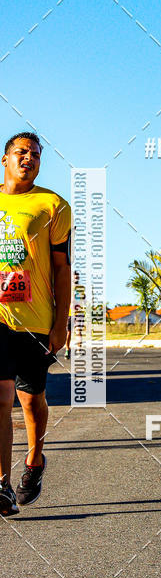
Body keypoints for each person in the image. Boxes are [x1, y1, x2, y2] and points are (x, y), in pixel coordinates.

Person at [0, 132, 71, 516]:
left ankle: (35, 461)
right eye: (22, 152)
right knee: (1, 398)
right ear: (5, 159)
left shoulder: (52, 205)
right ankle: (2, 486)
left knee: (31, 400)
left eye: (37, 155)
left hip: (36, 319)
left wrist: (62, 322)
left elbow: (63, 268)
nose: (30, 158)